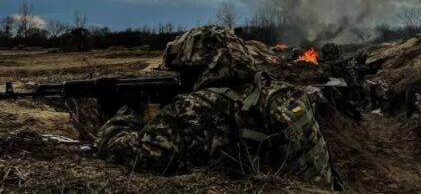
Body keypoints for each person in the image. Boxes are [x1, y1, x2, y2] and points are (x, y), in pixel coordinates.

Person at [95, 26, 333, 188]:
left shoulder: (194, 109)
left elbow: (127, 152)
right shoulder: (276, 90)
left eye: (183, 70)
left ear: (198, 66)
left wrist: (124, 113)